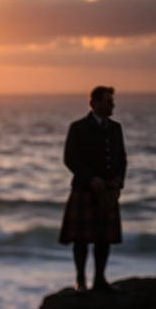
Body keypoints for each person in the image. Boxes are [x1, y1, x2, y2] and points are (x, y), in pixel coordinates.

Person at [59, 85, 127, 291]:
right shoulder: (78, 127)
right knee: (81, 239)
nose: (112, 105)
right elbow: (70, 158)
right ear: (94, 103)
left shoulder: (116, 128)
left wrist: (118, 182)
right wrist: (90, 179)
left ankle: (100, 280)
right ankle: (80, 281)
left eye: (112, 101)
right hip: (84, 189)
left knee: (103, 239)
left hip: (107, 190)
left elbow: (121, 158)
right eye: (108, 101)